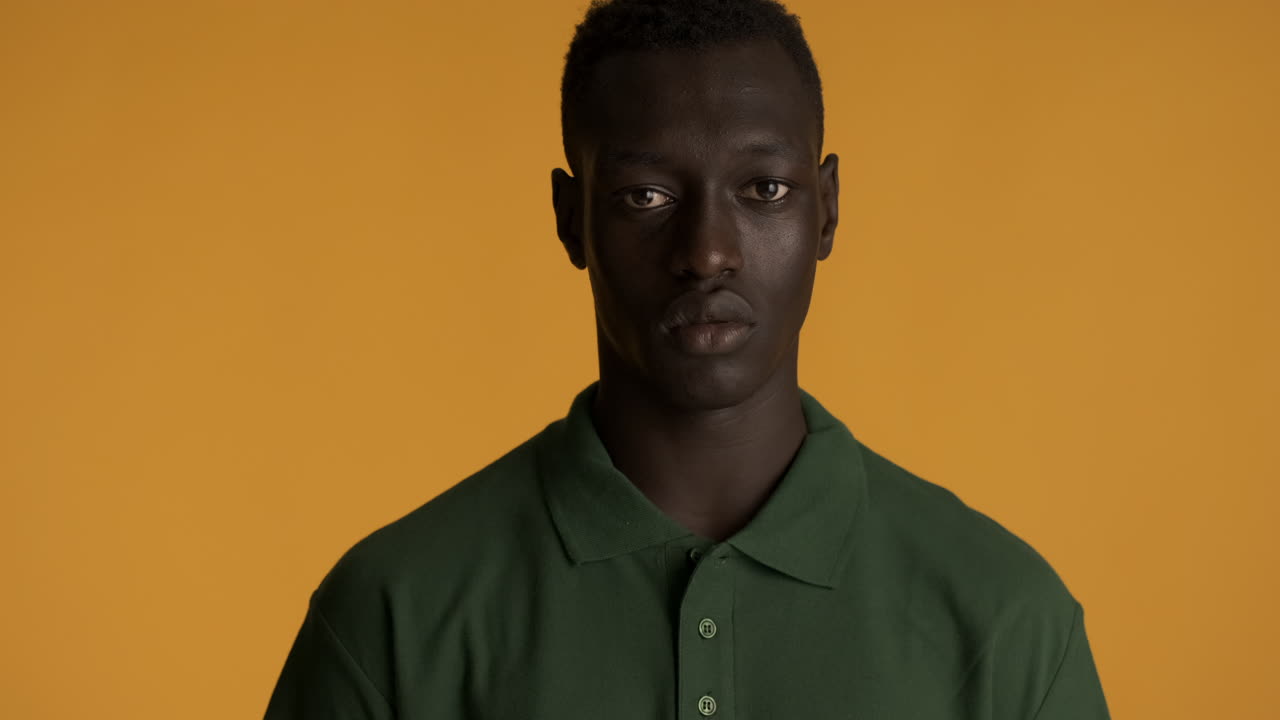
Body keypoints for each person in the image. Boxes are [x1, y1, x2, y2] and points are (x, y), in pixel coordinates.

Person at [264, 0, 1110, 717]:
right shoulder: (391, 617)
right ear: (570, 219)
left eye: (764, 189)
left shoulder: (1007, 622)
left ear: (826, 210)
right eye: (646, 196)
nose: (706, 252)